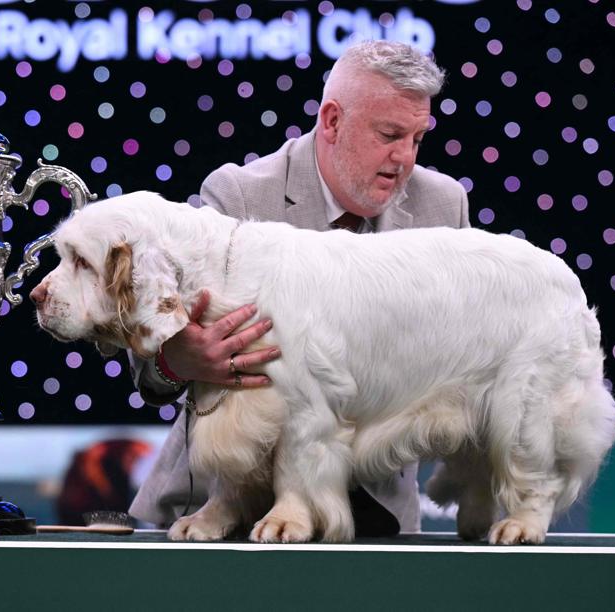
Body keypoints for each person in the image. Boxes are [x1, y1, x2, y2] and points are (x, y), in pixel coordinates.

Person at [128, 40, 470, 535]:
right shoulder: (239, 195)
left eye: (418, 138)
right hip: (217, 509)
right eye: (390, 134)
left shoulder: (445, 207)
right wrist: (174, 360)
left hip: (377, 515)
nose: (405, 160)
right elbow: (149, 343)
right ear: (331, 121)